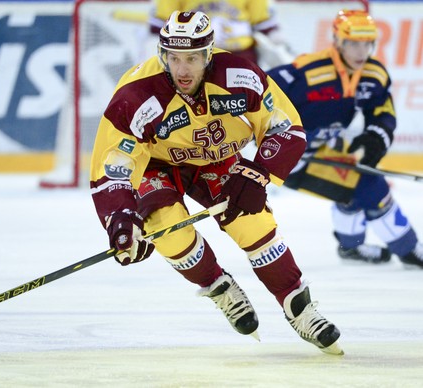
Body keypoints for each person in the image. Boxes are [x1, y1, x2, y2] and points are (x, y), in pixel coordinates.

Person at [89, 10, 343, 355]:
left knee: (251, 223)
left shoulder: (240, 75)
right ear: (162, 54)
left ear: (209, 53)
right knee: (167, 229)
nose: (182, 69)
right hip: (157, 165)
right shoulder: (136, 94)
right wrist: (120, 215)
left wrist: (259, 171)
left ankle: (298, 305)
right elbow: (112, 164)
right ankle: (217, 286)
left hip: (217, 157)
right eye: (174, 58)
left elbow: (284, 126)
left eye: (192, 58)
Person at [267, 10, 423, 268]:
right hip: (290, 158)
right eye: (352, 43)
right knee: (369, 184)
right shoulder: (308, 72)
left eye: (366, 43)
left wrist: (375, 138)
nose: (360, 51)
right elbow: (259, 89)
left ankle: (351, 247)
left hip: (322, 147)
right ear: (337, 41)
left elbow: (382, 113)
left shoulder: (374, 75)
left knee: (353, 190)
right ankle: (408, 248)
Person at [148, 0, 293, 69]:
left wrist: (277, 43)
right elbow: (161, 24)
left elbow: (263, 23)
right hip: (192, 55)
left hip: (240, 56)